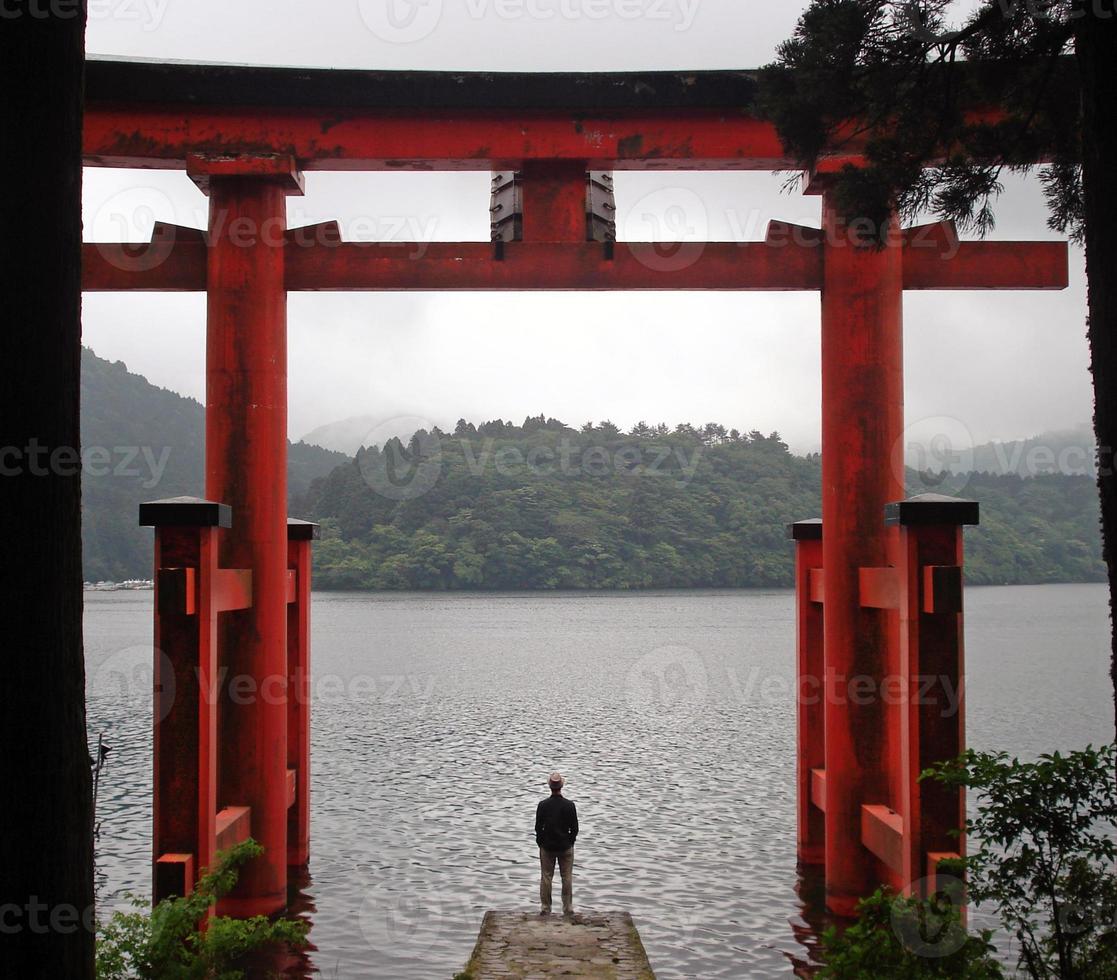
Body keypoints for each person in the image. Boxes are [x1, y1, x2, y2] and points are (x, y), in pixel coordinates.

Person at [535, 771, 578, 915]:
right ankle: (568, 908)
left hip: (547, 846)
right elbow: (575, 829)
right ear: (561, 786)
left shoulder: (543, 805)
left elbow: (538, 828)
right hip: (565, 846)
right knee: (567, 877)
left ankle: (545, 908)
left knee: (546, 877)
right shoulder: (570, 805)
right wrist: (570, 842)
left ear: (550, 787)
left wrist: (541, 842)